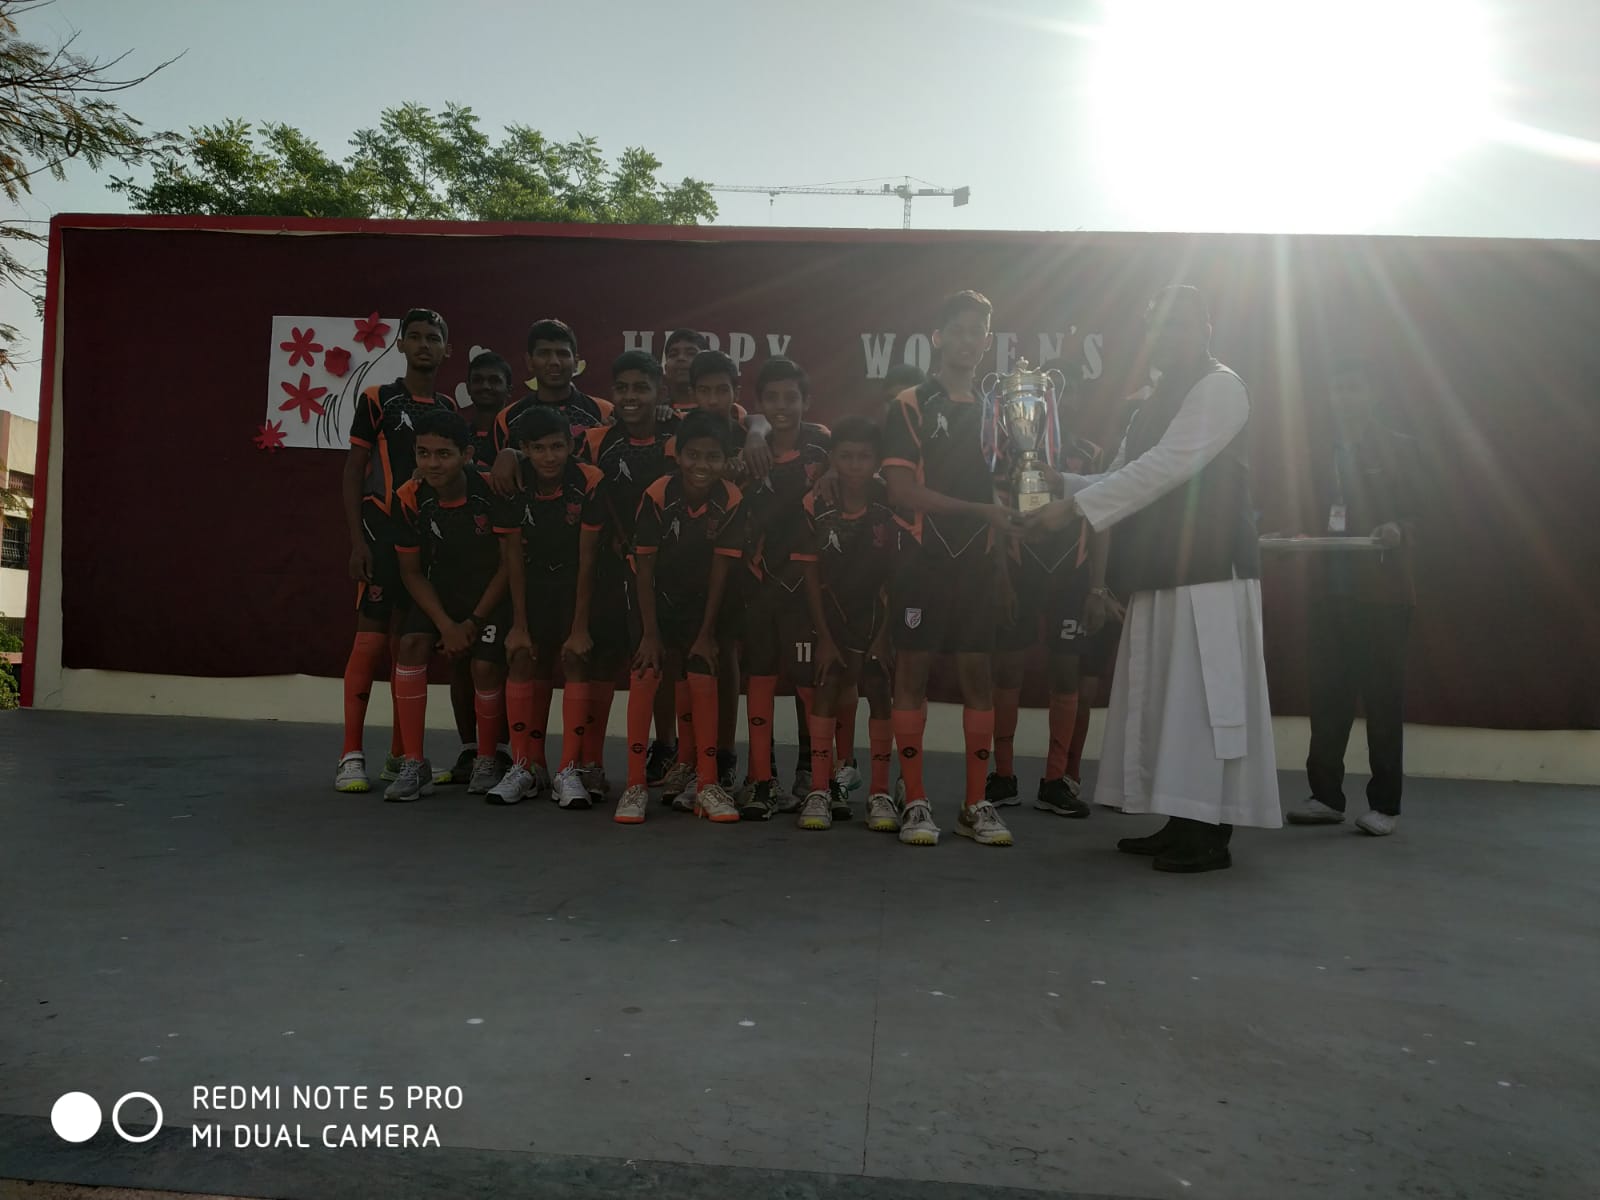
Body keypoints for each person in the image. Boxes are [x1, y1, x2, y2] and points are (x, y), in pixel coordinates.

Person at [1024, 284, 1280, 872]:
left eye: (1180, 324)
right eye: (1159, 326)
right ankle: (1181, 818)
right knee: (1167, 700)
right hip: (1163, 570)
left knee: (1206, 702)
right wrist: (1060, 485)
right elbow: (1123, 473)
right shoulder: (1155, 399)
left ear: (1206, 328)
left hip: (1211, 573)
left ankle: (1210, 833)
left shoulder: (1221, 387)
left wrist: (1072, 509)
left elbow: (1166, 468)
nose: (1168, 336)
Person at [882, 289, 1021, 848]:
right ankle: (915, 799)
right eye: (958, 330)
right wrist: (981, 512)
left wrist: (1007, 545)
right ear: (938, 338)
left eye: (978, 332)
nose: (968, 341)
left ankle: (974, 803)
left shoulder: (999, 411)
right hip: (923, 561)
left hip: (979, 565)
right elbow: (900, 490)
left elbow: (1005, 494)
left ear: (988, 342)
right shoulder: (911, 403)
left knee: (978, 678)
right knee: (911, 675)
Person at [1286, 356, 1420, 836]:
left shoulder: (1399, 448)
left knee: (1382, 701)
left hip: (1382, 597)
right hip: (1330, 595)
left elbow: (1425, 514)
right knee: (1328, 699)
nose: (1346, 398)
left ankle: (1385, 805)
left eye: (1355, 388)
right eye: (1338, 389)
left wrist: (1398, 529)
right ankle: (1325, 797)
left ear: (1372, 394)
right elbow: (1306, 509)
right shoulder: (1319, 451)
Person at [335, 307, 457, 793]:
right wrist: (357, 540)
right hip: (381, 536)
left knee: (409, 646)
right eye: (416, 336)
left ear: (447, 349)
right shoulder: (377, 398)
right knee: (369, 643)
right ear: (401, 344)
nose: (425, 344)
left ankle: (401, 757)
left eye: (434, 338)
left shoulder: (447, 407)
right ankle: (350, 754)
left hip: (426, 543)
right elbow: (353, 470)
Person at [621, 409, 745, 823]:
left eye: (713, 456)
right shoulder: (658, 493)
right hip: (653, 601)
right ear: (678, 455)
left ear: (726, 460)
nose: (701, 465)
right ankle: (634, 786)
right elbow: (644, 568)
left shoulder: (731, 498)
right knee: (646, 671)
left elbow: (721, 571)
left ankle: (706, 783)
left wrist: (706, 633)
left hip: (700, 604)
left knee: (703, 670)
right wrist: (650, 633)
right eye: (693, 455)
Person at [991, 373, 1105, 819]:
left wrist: (1097, 586)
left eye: (1066, 393)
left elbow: (1103, 519)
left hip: (1070, 575)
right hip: (1020, 572)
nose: (1060, 402)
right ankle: (1002, 775)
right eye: (1049, 396)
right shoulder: (1002, 454)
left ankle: (1056, 780)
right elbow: (996, 519)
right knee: (1007, 671)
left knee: (1066, 674)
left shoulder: (1090, 455)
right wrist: (1001, 579)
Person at [487, 406, 610, 808]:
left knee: (575, 659)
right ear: (524, 449)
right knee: (522, 655)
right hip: (532, 584)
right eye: (539, 448)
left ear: (571, 446)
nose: (549, 456)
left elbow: (588, 559)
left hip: (576, 586)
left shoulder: (589, 480)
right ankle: (525, 766)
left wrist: (579, 628)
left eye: (557, 447)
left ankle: (568, 770)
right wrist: (519, 624)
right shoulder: (513, 481)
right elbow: (512, 557)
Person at [386, 409, 509, 802]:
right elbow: (411, 573)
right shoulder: (409, 497)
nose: (432, 464)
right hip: (441, 595)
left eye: (443, 454)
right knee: (409, 645)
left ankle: (488, 759)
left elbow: (509, 564)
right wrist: (446, 625)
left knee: (483, 666)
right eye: (423, 453)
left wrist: (473, 621)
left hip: (491, 595)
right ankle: (413, 762)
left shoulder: (491, 488)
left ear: (466, 454)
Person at [578, 351, 681, 802]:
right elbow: (552, 462)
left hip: (668, 570)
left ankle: (669, 749)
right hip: (610, 566)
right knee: (605, 658)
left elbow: (739, 425)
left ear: (660, 391)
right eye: (622, 388)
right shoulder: (596, 441)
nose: (631, 396)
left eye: (642, 387)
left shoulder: (679, 436)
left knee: (661, 659)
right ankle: (593, 763)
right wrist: (508, 455)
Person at [735, 357, 831, 820]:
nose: (781, 406)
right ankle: (761, 778)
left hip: (805, 588)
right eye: (771, 397)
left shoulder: (822, 449)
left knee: (808, 681)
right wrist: (754, 433)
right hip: (758, 586)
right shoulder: (748, 451)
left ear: (806, 402)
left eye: (791, 397)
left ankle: (813, 778)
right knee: (759, 677)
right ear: (759, 402)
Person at [797, 416, 900, 832]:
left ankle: (879, 792)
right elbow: (809, 573)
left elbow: (898, 576)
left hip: (876, 614)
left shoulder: (890, 504)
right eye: (846, 456)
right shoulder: (815, 503)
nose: (855, 465)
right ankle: (819, 790)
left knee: (879, 687)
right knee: (828, 684)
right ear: (832, 458)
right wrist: (823, 637)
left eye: (864, 457)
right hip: (830, 613)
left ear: (877, 461)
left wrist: (886, 634)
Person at [436, 349, 515, 787]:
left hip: (503, 564)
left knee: (494, 662)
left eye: (494, 380)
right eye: (478, 380)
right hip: (457, 568)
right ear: (468, 386)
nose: (486, 387)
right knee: (461, 661)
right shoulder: (455, 433)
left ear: (509, 388)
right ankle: (470, 749)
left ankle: (499, 749)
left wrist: (514, 453)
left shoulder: (515, 436)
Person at [689, 350, 752, 790]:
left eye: (722, 390)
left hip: (734, 567)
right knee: (683, 660)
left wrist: (757, 434)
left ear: (736, 392)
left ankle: (725, 753)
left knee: (725, 655)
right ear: (692, 393)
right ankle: (688, 756)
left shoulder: (752, 434)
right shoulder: (681, 432)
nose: (713, 399)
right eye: (704, 390)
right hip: (683, 564)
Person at [488, 319, 614, 496]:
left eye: (562, 353)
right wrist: (507, 455)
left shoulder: (604, 412)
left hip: (589, 511)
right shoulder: (507, 418)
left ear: (576, 362)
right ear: (529, 361)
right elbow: (491, 475)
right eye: (544, 353)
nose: (554, 361)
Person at [662, 328, 709, 417]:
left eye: (691, 353)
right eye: (673, 354)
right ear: (666, 368)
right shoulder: (651, 414)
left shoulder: (725, 413)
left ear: (707, 365)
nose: (681, 358)